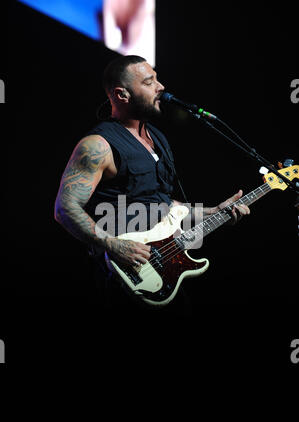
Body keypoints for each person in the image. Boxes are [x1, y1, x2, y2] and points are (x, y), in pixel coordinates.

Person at [54, 55, 250, 311]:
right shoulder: (97, 145)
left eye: (156, 78)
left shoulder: (157, 137)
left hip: (167, 271)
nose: (161, 87)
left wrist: (214, 211)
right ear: (122, 94)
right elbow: (64, 208)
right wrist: (112, 244)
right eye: (149, 82)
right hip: (126, 279)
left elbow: (166, 205)